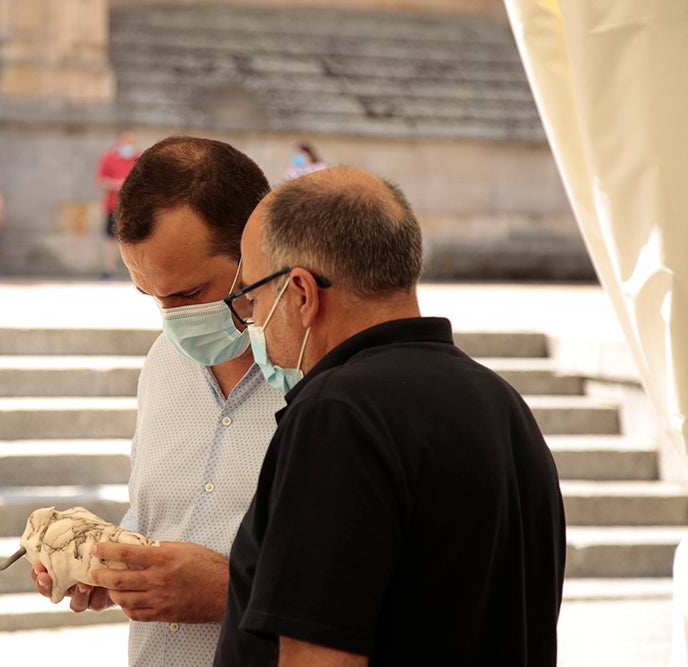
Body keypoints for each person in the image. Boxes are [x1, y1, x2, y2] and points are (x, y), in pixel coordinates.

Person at [213, 167, 567, 666]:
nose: (253, 320)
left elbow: (320, 657)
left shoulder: (337, 415)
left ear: (300, 293)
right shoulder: (501, 402)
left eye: (253, 297)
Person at [30, 136, 285, 666]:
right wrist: (112, 568)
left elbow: (361, 587)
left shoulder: (322, 386)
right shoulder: (164, 363)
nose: (173, 320)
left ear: (256, 254)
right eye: (153, 297)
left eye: (189, 294)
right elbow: (159, 519)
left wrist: (226, 591)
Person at [95, 129, 139, 279]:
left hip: (134, 205)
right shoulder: (108, 158)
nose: (129, 144)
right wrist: (114, 184)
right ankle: (110, 269)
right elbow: (100, 180)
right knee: (110, 238)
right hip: (113, 205)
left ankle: (136, 272)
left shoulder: (138, 158)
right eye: (126, 141)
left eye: (131, 141)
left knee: (135, 238)